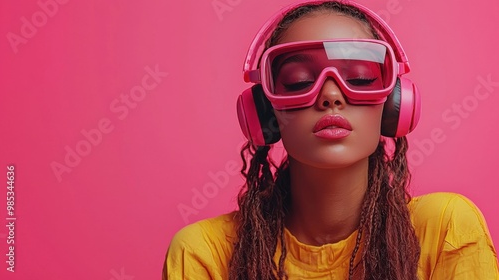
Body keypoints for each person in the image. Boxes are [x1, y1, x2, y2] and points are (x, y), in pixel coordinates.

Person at [163, 1, 499, 279]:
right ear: (264, 111)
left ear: (396, 103)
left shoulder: (445, 229)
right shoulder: (205, 253)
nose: (330, 96)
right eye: (297, 82)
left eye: (360, 78)